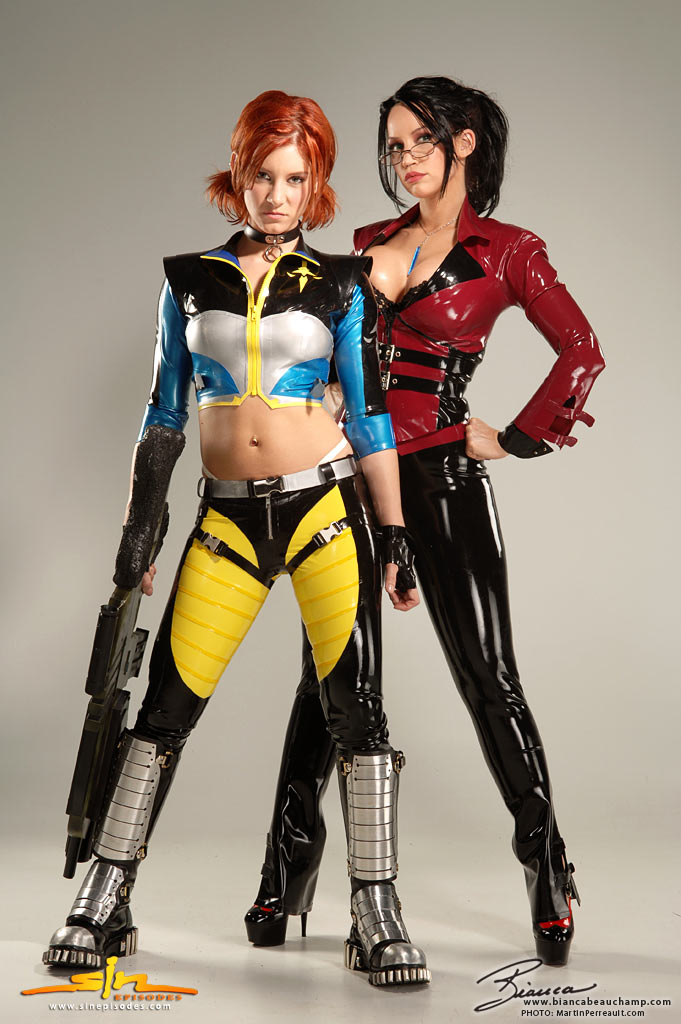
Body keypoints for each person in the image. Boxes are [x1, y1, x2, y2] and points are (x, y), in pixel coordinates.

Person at [44, 90, 431, 988]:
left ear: (316, 181)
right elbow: (162, 415)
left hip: (324, 510)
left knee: (356, 710)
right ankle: (105, 892)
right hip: (226, 518)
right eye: (263, 175)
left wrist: (395, 533)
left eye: (295, 178)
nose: (277, 195)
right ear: (239, 173)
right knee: (164, 708)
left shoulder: (341, 284)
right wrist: (141, 529)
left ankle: (375, 908)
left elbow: (370, 417)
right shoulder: (189, 278)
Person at [244, 76, 605, 968]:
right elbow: (328, 353)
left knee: (487, 677)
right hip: (350, 478)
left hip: (443, 478)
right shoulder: (366, 242)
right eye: (393, 145)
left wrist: (516, 438)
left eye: (420, 141)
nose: (403, 158)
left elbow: (581, 350)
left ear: (464, 143)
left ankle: (546, 869)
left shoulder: (509, 251)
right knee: (326, 679)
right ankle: (286, 869)